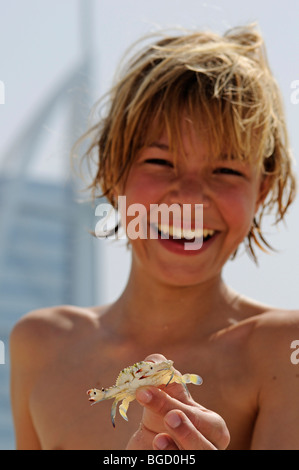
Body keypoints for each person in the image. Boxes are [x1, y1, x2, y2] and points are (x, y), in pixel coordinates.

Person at [10, 23, 298, 450]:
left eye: (226, 170)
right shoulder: (39, 344)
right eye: (161, 162)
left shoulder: (284, 351)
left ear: (264, 189)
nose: (189, 196)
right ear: (112, 171)